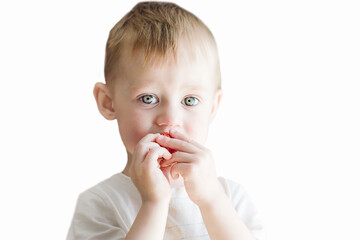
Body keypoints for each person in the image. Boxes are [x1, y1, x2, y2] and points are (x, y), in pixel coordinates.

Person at [67, 2, 264, 239]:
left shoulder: (231, 198)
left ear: (213, 106)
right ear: (108, 102)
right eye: (148, 98)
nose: (170, 120)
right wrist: (153, 203)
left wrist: (211, 200)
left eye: (190, 100)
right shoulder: (100, 204)